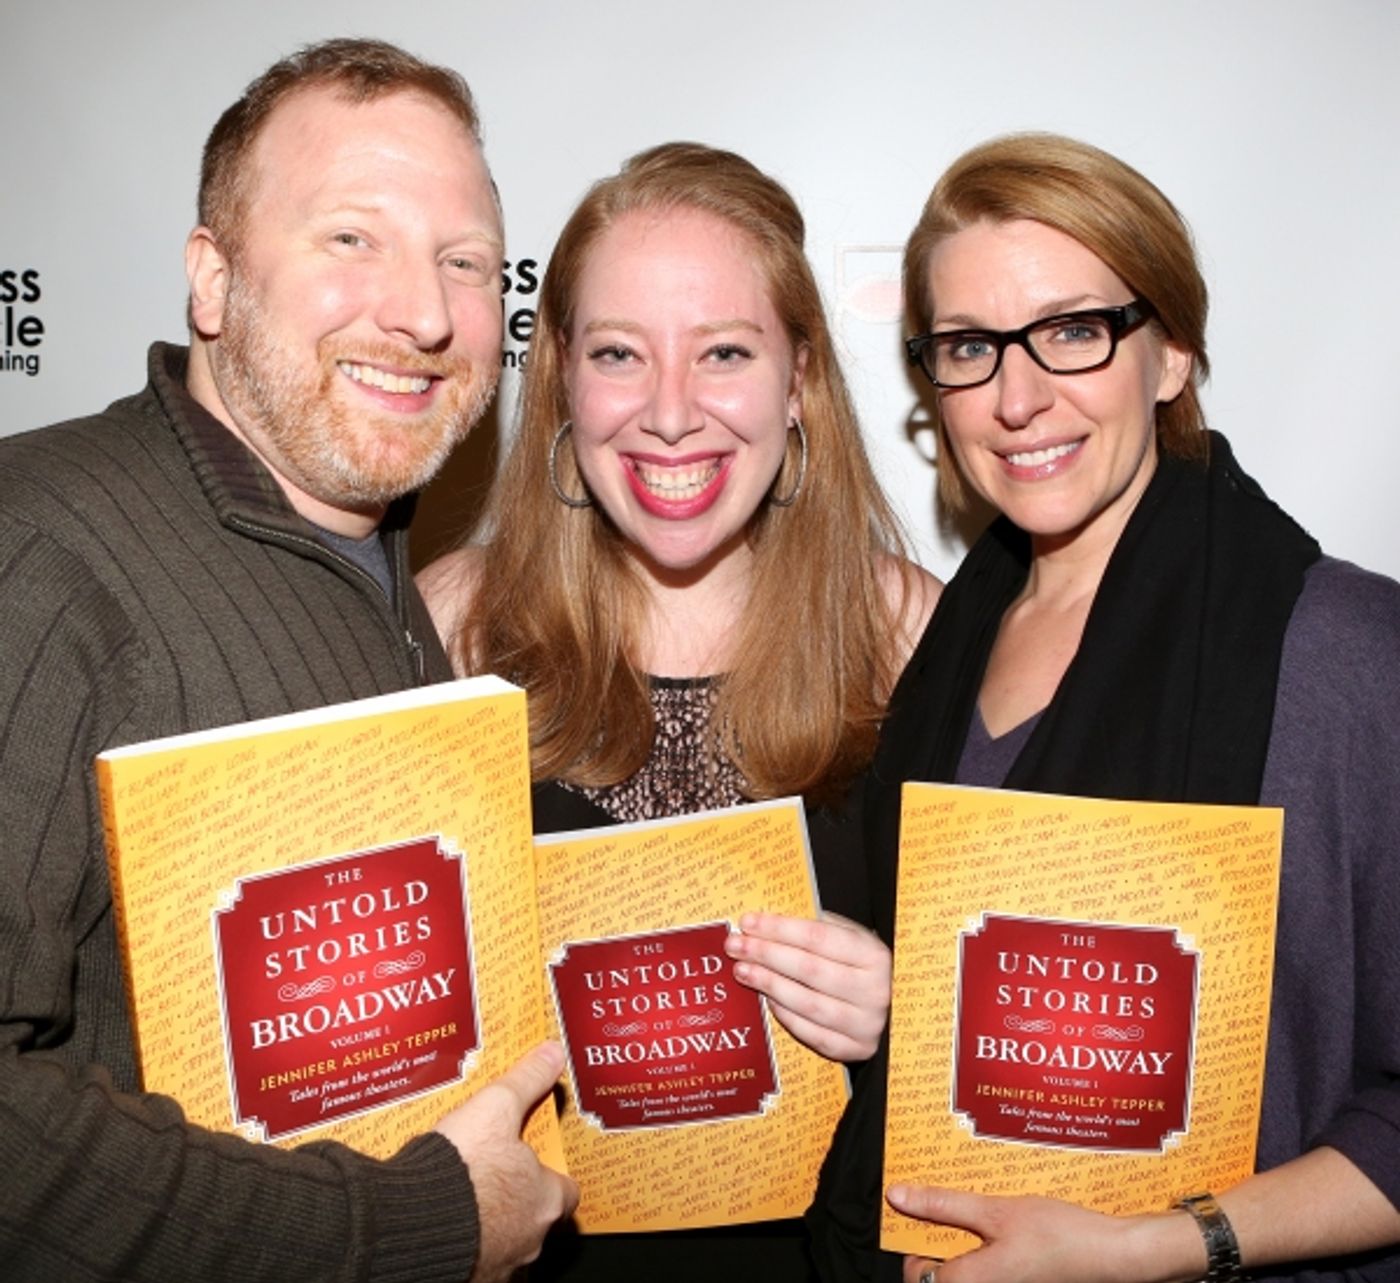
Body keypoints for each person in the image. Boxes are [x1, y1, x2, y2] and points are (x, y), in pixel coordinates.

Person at [0, 38, 576, 1281]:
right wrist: (416, 1226)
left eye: (464, 261)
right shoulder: (35, 549)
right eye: (350, 238)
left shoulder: (384, 565)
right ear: (213, 280)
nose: (424, 312)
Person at [810, 133, 1400, 1283]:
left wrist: (1162, 1244)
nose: (1018, 398)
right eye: (969, 347)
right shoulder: (949, 639)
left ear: (1171, 351)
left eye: (1073, 331)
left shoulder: (1342, 655)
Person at [419, 142, 940, 1279]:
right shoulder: (451, 628)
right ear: (559, 377)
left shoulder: (913, 636)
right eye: (618, 353)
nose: (667, 413)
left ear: (797, 377)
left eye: (722, 352)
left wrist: (906, 1006)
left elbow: (1020, 1047)